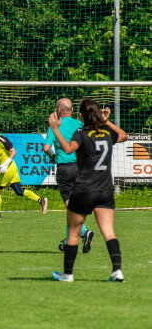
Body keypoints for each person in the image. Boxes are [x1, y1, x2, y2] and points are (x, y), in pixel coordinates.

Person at [49, 99, 128, 282]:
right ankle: (117, 271)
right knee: (109, 231)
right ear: (98, 114)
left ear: (81, 116)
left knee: (74, 232)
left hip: (84, 189)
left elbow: (68, 149)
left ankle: (67, 274)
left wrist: (55, 129)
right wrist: (106, 121)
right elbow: (123, 135)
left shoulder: (81, 133)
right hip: (105, 190)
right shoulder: (107, 132)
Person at [43, 98, 94, 253]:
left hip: (65, 169)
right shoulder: (79, 125)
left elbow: (46, 147)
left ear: (58, 111)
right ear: (72, 110)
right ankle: (67, 242)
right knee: (74, 207)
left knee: (71, 208)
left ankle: (84, 232)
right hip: (81, 168)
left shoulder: (55, 126)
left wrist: (52, 156)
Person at [0, 121, 47, 220]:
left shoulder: (2, 139)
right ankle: (41, 200)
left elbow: (13, 151)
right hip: (11, 168)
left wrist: (5, 164)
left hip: (7, 168)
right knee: (19, 191)